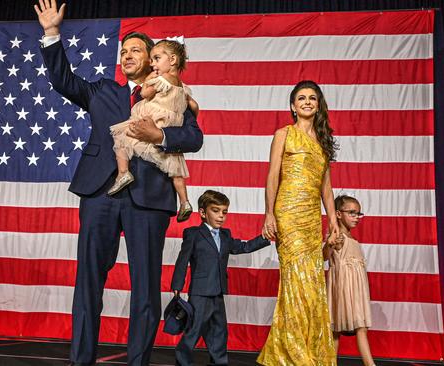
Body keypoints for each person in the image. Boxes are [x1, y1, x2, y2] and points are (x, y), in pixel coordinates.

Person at [34, 1, 203, 365]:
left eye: (136, 50)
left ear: (153, 59)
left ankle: (138, 361)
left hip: (149, 199)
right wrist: (51, 33)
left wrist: (159, 135)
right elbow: (63, 80)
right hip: (99, 194)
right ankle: (82, 360)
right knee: (89, 282)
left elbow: (194, 138)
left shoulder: (175, 95)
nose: (127, 55)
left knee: (145, 287)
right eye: (123, 51)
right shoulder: (103, 91)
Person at [257, 80, 340, 365]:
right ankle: (291, 353)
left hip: (310, 218)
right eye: (301, 98)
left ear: (318, 105)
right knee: (295, 279)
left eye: (312, 98)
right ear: (293, 105)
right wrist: (269, 213)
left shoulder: (323, 141)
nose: (307, 102)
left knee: (313, 280)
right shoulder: (284, 134)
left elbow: (326, 188)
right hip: (288, 214)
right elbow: (272, 176)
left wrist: (334, 221)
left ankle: (310, 348)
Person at [171, 190, 271, 365]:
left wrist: (264, 238)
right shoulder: (193, 234)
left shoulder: (225, 235)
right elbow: (182, 260)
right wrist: (177, 284)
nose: (221, 216)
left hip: (218, 292)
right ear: (203, 212)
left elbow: (244, 247)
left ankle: (219, 362)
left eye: (224, 212)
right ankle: (182, 361)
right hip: (200, 293)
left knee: (219, 331)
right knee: (194, 330)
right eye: (215, 210)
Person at [108, 38, 198, 222]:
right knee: (176, 171)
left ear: (172, 60)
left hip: (152, 117)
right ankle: (185, 201)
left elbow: (145, 94)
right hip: (171, 121)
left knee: (121, 138)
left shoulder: (160, 80)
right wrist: (181, 117)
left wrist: (149, 82)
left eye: (156, 58)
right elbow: (194, 105)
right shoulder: (183, 86)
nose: (153, 63)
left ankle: (123, 173)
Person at [324, 195, 375, 366]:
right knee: (338, 330)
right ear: (338, 214)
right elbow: (324, 256)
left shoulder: (352, 239)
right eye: (351, 213)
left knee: (359, 328)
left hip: (357, 290)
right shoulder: (337, 236)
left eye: (358, 214)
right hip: (344, 288)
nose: (356, 217)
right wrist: (330, 244)